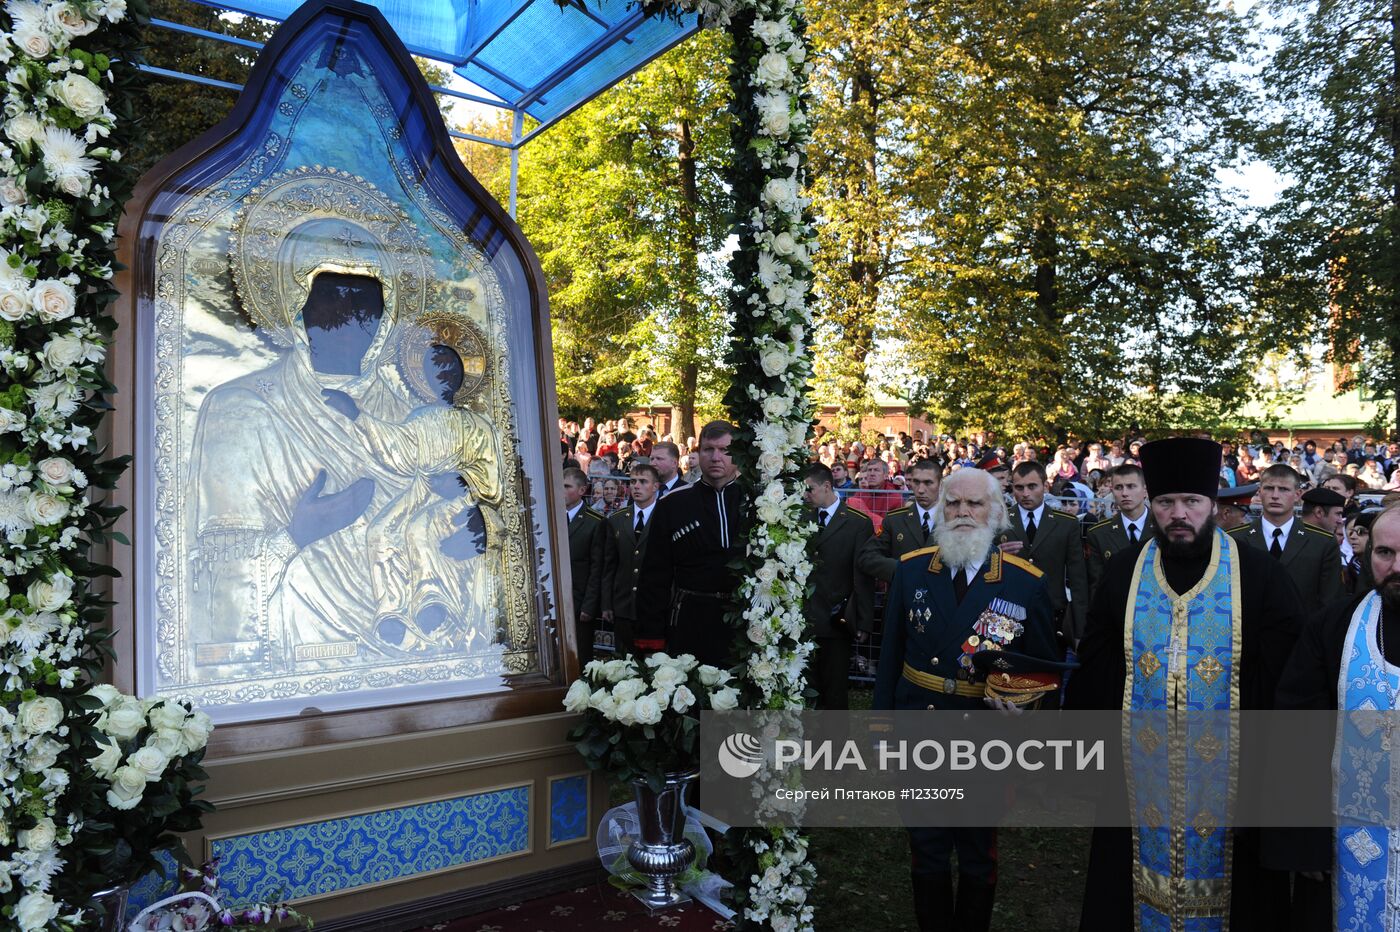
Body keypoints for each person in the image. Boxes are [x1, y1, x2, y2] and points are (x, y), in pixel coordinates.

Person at [1065, 437, 1305, 932]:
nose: (1179, 514)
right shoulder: (1124, 572)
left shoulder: (1259, 576)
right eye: (1166, 502)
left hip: (1234, 779)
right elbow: (1097, 667)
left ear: (1213, 505)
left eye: (1191, 502)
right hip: (1138, 777)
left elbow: (1287, 682)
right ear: (1151, 504)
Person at [873, 467, 1059, 932]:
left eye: (973, 504)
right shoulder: (913, 568)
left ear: (996, 513)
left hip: (987, 736)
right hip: (921, 730)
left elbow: (1041, 666)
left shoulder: (1023, 582)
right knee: (927, 846)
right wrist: (880, 732)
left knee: (978, 851)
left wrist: (1025, 708)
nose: (961, 512)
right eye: (952, 503)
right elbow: (890, 653)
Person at [1268, 505, 1400, 930]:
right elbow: (1295, 734)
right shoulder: (1334, 626)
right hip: (1352, 841)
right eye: (1384, 553)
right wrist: (1304, 838)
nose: (1396, 567)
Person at [636, 421, 748, 667]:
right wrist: (652, 640)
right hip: (690, 620)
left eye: (724, 450)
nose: (716, 457)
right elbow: (654, 576)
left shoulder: (757, 502)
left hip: (746, 625)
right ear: (697, 454)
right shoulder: (673, 504)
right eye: (708, 449)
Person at [801, 463, 875, 709]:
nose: (805, 495)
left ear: (826, 486)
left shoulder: (856, 523)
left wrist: (863, 621)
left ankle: (835, 746)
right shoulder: (799, 517)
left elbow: (862, 574)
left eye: (809, 489)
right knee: (803, 689)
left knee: (834, 691)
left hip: (836, 619)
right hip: (801, 620)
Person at [1228, 464, 1344, 616]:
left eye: (1284, 489)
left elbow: (1330, 601)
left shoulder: (1322, 542)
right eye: (1269, 488)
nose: (1275, 495)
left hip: (1302, 634)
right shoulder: (1234, 538)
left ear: (1297, 495)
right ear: (1260, 492)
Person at [1004, 461, 1090, 645]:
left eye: (1032, 486)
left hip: (1052, 614)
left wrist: (1079, 629)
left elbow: (1078, 579)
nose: (1025, 493)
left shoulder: (1066, 523)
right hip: (1007, 613)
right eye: (1019, 487)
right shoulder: (999, 521)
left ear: (1045, 486)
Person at [600, 463, 659, 654]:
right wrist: (607, 604)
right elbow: (610, 565)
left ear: (655, 486)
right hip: (622, 605)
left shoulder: (664, 518)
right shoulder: (617, 519)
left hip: (653, 606)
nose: (637, 486)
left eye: (643, 482)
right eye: (633, 481)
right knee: (623, 663)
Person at [858, 458, 941, 582]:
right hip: (902, 594)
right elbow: (867, 557)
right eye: (916, 482)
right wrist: (901, 569)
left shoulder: (953, 521)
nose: (921, 490)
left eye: (928, 483)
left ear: (940, 484)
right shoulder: (894, 520)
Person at [1085, 463, 1155, 597]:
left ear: (1145, 490)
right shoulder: (1098, 533)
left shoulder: (1163, 528)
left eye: (1131, 486)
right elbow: (1097, 584)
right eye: (1118, 487)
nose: (1124, 493)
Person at [563, 466, 605, 662]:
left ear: (581, 490)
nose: (560, 490)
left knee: (580, 656)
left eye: (566, 486)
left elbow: (597, 568)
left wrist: (589, 606)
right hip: (554, 601)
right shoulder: (550, 517)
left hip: (579, 602)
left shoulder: (594, 522)